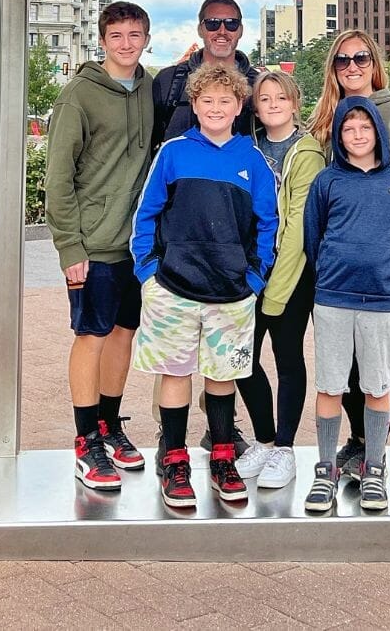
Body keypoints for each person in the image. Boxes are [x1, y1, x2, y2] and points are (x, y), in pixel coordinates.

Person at [130, 64, 278, 510]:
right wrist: (148, 272)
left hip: (232, 293)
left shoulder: (251, 160)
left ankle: (221, 455)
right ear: (194, 106)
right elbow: (146, 213)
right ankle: (174, 459)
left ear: (239, 107)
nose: (216, 108)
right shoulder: (174, 153)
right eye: (207, 101)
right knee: (175, 373)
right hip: (172, 287)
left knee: (222, 376)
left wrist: (254, 278)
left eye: (225, 101)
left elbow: (268, 224)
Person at [304, 28, 390, 485]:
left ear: (374, 62)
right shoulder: (323, 121)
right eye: (343, 60)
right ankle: (357, 442)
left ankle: (369, 449)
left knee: (379, 353)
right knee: (339, 354)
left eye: (361, 57)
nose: (353, 67)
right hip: (337, 259)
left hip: (386, 256)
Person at [44, 0, 156, 493]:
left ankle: (110, 425)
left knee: (123, 335)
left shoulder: (151, 89)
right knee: (91, 335)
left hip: (136, 244)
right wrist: (71, 248)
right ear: (102, 40)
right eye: (117, 36)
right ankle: (85, 438)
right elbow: (57, 180)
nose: (126, 44)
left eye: (135, 35)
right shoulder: (78, 97)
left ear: (146, 39)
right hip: (93, 243)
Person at [302, 96, 390, 515]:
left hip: (380, 300)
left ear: (378, 134)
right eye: (348, 129)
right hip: (333, 296)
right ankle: (326, 467)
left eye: (365, 128)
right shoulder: (327, 182)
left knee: (377, 385)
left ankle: (374, 466)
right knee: (330, 384)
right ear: (339, 136)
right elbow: (313, 237)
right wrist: (329, 271)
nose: (358, 135)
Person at [233, 69, 327, 490]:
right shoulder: (248, 148)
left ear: (295, 103)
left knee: (287, 358)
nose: (272, 105)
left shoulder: (306, 153)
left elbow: (297, 227)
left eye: (281, 98)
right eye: (264, 99)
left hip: (290, 275)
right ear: (255, 106)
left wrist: (275, 285)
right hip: (247, 274)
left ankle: (285, 447)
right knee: (242, 360)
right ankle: (264, 438)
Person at [151, 0, 257, 142]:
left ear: (240, 30)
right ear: (200, 29)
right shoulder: (169, 81)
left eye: (231, 24)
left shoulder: (258, 85)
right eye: (212, 23)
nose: (222, 31)